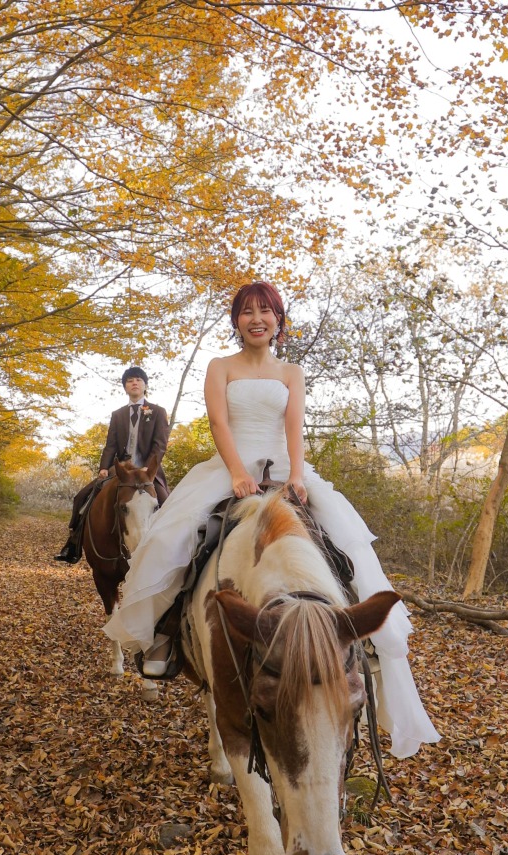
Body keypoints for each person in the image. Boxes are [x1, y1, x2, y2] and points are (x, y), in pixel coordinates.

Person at [103, 283, 439, 758]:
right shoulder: (220, 366)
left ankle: (363, 642)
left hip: (283, 467)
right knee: (173, 537)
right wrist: (237, 473)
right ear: (236, 321)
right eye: (247, 312)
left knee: (343, 540)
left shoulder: (291, 372)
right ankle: (165, 635)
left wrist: (297, 475)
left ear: (279, 320)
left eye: (265, 311)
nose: (256, 318)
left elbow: (293, 425)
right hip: (230, 467)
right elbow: (219, 423)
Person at [54, 366, 170, 564]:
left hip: (148, 471)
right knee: (81, 497)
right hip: (121, 468)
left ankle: (171, 552)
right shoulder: (118, 415)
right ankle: (73, 544)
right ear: (125, 387)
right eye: (130, 380)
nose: (134, 383)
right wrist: (103, 468)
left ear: (145, 385)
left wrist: (147, 468)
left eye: (138, 380)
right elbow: (111, 445)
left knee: (167, 503)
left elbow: (160, 444)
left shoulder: (158, 412)